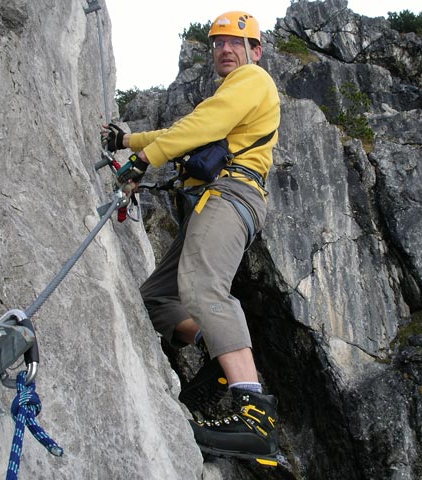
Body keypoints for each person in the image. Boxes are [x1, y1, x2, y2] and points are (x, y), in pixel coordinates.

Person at [102, 11, 280, 466]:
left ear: (255, 51)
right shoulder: (227, 97)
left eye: (236, 42)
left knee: (203, 287)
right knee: (156, 299)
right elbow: (184, 131)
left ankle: (255, 416)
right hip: (212, 201)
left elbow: (200, 128)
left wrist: (144, 159)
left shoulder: (253, 80)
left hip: (231, 194)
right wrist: (128, 140)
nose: (225, 49)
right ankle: (220, 356)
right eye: (218, 42)